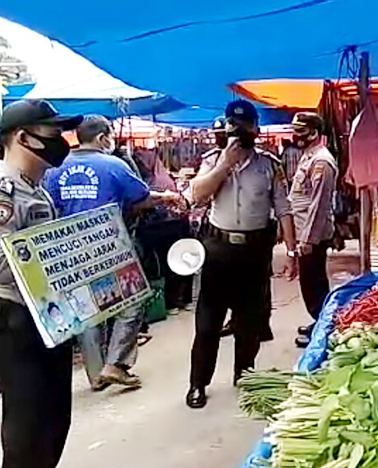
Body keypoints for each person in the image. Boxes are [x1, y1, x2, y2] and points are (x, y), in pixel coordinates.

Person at [0, 99, 82, 468]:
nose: (61, 141)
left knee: (53, 427)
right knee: (27, 438)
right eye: (53, 133)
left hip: (51, 319)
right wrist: (59, 257)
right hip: (18, 325)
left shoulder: (37, 190)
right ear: (22, 137)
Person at [44, 115, 180, 391]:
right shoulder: (113, 165)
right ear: (102, 138)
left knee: (87, 310)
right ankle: (115, 364)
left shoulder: (55, 168)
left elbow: (50, 205)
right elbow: (141, 198)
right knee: (132, 299)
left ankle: (96, 375)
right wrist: (167, 197)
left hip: (70, 250)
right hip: (109, 246)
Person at [186, 100, 298, 408]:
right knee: (208, 323)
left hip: (254, 253)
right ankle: (198, 383)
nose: (238, 132)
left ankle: (245, 376)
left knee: (249, 323)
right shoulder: (212, 160)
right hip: (218, 251)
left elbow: (284, 209)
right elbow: (197, 195)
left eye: (245, 126)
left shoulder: (269, 165)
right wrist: (224, 165)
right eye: (233, 126)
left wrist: (292, 251)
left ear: (255, 129)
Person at [288, 112, 338, 349]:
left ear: (315, 133)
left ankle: (325, 328)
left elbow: (318, 205)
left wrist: (308, 240)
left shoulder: (322, 162)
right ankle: (320, 322)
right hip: (304, 232)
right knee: (312, 283)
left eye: (301, 131)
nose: (296, 136)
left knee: (313, 285)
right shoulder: (309, 156)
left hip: (313, 236)